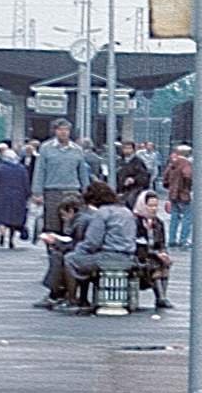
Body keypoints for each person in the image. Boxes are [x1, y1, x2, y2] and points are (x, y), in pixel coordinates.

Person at [44, 182, 134, 310]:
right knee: (81, 258)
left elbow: (92, 242)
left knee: (71, 259)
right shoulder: (126, 212)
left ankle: (73, 300)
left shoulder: (102, 213)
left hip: (108, 257)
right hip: (127, 257)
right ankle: (80, 299)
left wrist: (76, 251)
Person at [31, 119, 94, 211]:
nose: (63, 132)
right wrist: (37, 193)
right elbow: (40, 171)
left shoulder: (77, 150)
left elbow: (83, 173)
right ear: (55, 131)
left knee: (72, 222)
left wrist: (86, 192)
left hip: (72, 191)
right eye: (60, 129)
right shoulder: (45, 148)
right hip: (52, 191)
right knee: (52, 222)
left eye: (66, 130)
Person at [132, 189, 175, 309]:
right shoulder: (135, 222)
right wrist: (156, 254)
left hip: (153, 254)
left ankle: (162, 296)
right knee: (156, 263)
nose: (153, 208)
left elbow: (162, 243)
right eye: (150, 205)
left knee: (164, 263)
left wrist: (163, 253)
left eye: (155, 205)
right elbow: (136, 244)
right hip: (140, 256)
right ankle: (160, 298)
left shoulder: (158, 223)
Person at [0, 145, 32, 249]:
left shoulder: (0, 168)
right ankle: (11, 239)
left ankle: (2, 234)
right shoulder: (22, 169)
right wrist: (27, 195)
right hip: (18, 197)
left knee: (2, 218)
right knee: (14, 220)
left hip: (2, 196)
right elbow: (26, 183)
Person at [163, 143, 194, 248]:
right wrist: (188, 187)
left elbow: (165, 177)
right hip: (184, 195)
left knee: (174, 217)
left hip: (173, 195)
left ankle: (172, 239)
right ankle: (183, 239)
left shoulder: (172, 163)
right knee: (187, 217)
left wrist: (170, 187)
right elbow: (188, 175)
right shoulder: (186, 164)